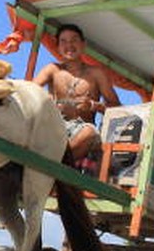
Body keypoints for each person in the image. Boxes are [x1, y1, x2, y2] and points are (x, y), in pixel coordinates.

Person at [33, 23, 120, 162]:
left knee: (90, 133)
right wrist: (47, 102)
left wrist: (93, 105)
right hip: (53, 126)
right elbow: (30, 90)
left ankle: (55, 166)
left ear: (83, 44)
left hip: (81, 133)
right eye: (64, 41)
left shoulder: (97, 74)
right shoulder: (52, 69)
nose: (69, 45)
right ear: (58, 47)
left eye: (74, 40)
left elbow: (118, 109)